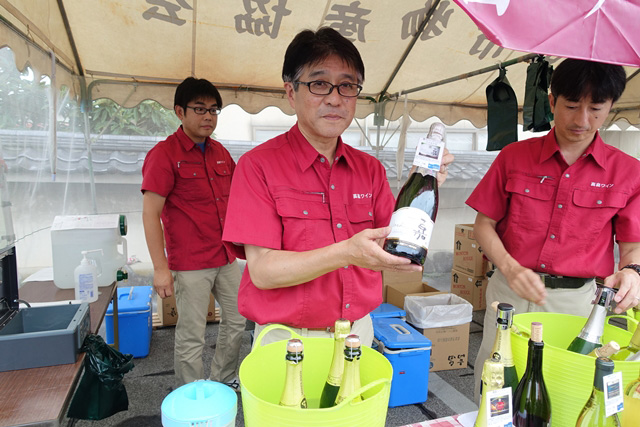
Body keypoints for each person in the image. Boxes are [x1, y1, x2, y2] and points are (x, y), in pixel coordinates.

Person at [222, 27, 453, 347]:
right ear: (291, 92)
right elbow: (262, 271)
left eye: (347, 86)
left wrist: (421, 183)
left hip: (358, 335)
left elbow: (390, 245)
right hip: (287, 341)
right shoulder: (258, 166)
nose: (334, 98)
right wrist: (346, 252)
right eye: (319, 84)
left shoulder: (370, 170)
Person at [467, 58, 640, 401]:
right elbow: (483, 224)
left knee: (563, 394)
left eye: (596, 108)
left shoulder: (628, 172)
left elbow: (632, 245)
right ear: (551, 101)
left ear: (610, 107)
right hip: (510, 292)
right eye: (571, 106)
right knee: (496, 387)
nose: (581, 120)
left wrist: (633, 270)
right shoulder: (514, 156)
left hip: (576, 303)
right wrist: (510, 268)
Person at [141, 77, 246, 388]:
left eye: (213, 110)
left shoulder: (220, 152)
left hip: (225, 255)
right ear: (179, 111)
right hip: (190, 262)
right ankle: (190, 393)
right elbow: (150, 215)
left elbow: (240, 200)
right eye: (200, 109)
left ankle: (223, 379)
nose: (208, 116)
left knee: (237, 320)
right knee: (192, 334)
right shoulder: (164, 154)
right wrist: (160, 268)